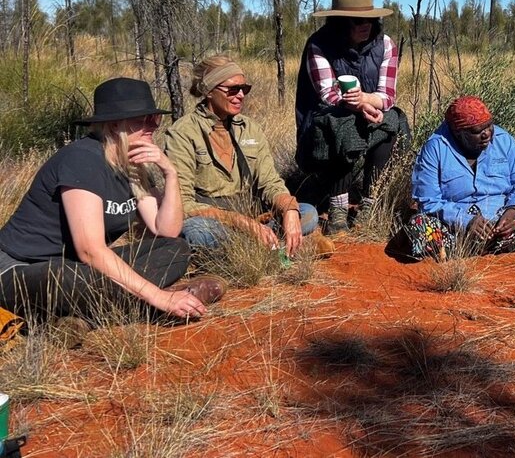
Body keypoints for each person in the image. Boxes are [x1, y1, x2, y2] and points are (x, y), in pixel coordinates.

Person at [0, 78, 224, 323]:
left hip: (77, 266)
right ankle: (151, 306)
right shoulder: (83, 160)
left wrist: (170, 174)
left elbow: (166, 230)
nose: (152, 126)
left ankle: (82, 316)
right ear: (115, 124)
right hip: (20, 268)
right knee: (65, 278)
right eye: (142, 120)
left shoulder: (133, 164)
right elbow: (90, 250)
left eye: (155, 119)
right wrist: (158, 296)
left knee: (175, 250)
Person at [164, 55, 333, 259]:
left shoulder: (250, 128)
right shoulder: (183, 133)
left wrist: (288, 209)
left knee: (307, 213)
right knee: (197, 232)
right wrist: (241, 223)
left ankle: (258, 247)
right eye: (233, 90)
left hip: (254, 215)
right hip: (214, 218)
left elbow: (270, 182)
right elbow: (184, 205)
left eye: (244, 89)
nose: (241, 95)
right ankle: (284, 247)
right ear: (209, 92)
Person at [295, 0, 409, 234]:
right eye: (357, 20)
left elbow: (387, 95)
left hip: (367, 106)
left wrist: (367, 103)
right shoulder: (319, 45)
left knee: (390, 121)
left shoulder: (386, 45)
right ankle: (338, 206)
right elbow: (328, 95)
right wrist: (358, 107)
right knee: (342, 125)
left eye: (370, 19)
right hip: (328, 117)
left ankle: (370, 201)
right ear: (340, 22)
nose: (365, 25)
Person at [404, 96, 515, 260]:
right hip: (455, 228)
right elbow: (428, 201)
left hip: (499, 220)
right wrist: (466, 221)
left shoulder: (504, 140)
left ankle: (480, 247)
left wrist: (512, 211)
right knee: (419, 225)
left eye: (489, 126)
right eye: (477, 131)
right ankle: (493, 247)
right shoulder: (435, 148)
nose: (487, 134)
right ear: (459, 133)